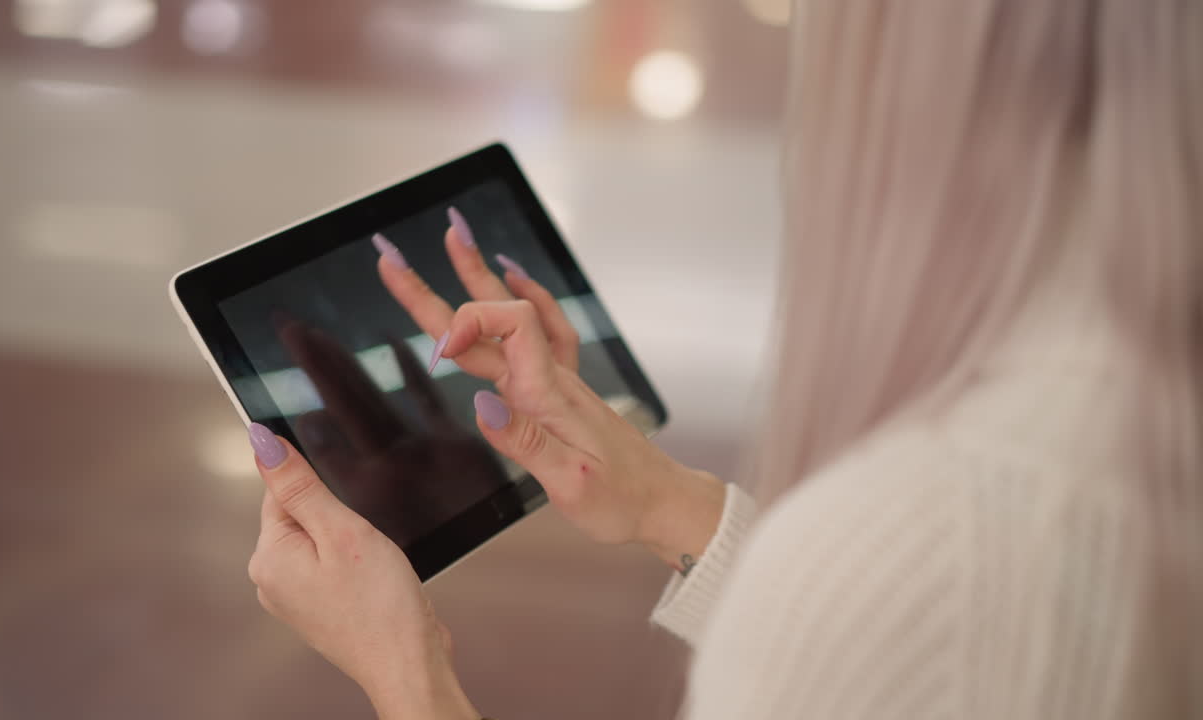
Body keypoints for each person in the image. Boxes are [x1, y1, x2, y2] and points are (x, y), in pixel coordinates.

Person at [241, 0, 1202, 717]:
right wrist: (664, 502)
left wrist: (406, 670)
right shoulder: (1140, 408)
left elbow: (895, 618)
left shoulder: (930, 528)